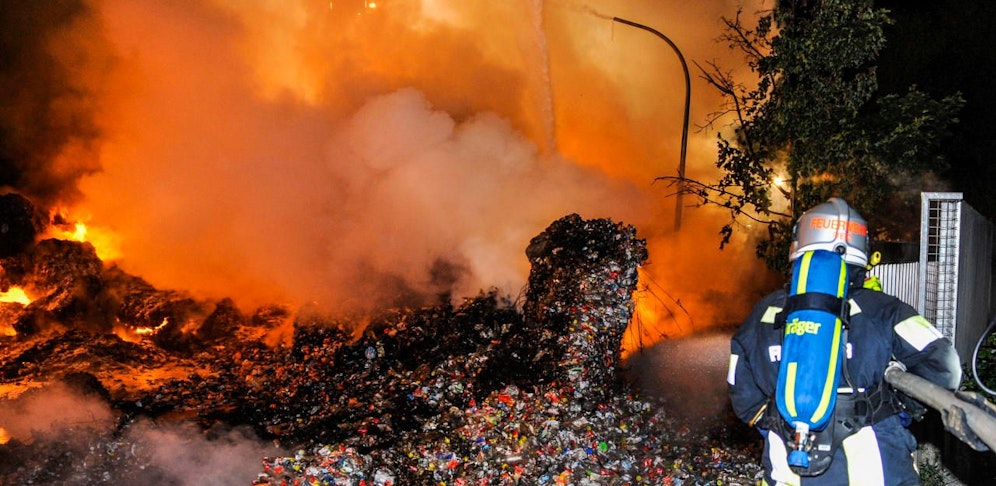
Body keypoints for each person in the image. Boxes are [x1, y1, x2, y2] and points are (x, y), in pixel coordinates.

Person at [727, 197, 962, 485]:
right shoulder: (883, 309)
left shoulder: (764, 313)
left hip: (791, 471)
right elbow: (945, 364)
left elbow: (741, 390)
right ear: (861, 249)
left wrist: (776, 422)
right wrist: (899, 406)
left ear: (800, 244)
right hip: (879, 472)